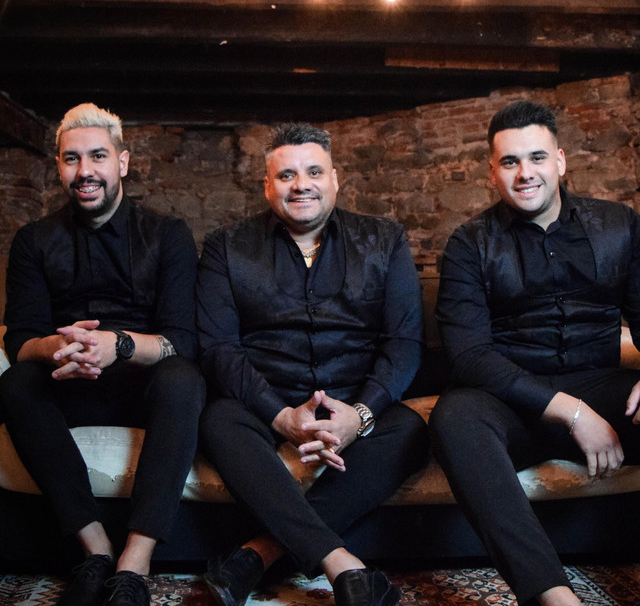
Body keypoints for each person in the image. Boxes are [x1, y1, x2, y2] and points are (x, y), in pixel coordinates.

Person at [196, 123, 429, 606]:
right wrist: (282, 416)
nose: (301, 184)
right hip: (265, 404)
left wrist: (359, 415)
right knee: (217, 419)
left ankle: (257, 554)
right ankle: (344, 565)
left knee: (412, 429)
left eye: (314, 172)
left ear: (335, 179)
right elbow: (219, 348)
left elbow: (404, 343)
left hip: (358, 400)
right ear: (268, 186)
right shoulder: (226, 246)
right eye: (286, 175)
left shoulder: (385, 239)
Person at [431, 100, 640, 606]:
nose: (525, 173)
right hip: (513, 405)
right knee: (454, 416)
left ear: (560, 161)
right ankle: (552, 596)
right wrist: (572, 412)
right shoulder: (469, 244)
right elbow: (469, 356)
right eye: (510, 162)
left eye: (537, 157)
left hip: (602, 387)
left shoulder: (620, 225)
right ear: (493, 173)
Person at [0, 103, 206, 606]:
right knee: (15, 382)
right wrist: (56, 347)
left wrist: (120, 344)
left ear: (122, 163)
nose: (85, 171)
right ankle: (95, 550)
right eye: (72, 159)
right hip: (69, 383)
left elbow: (183, 339)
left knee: (184, 378)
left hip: (145, 389)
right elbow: (19, 339)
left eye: (98, 156)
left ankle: (134, 562)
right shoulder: (33, 240)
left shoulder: (168, 235)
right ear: (59, 166)